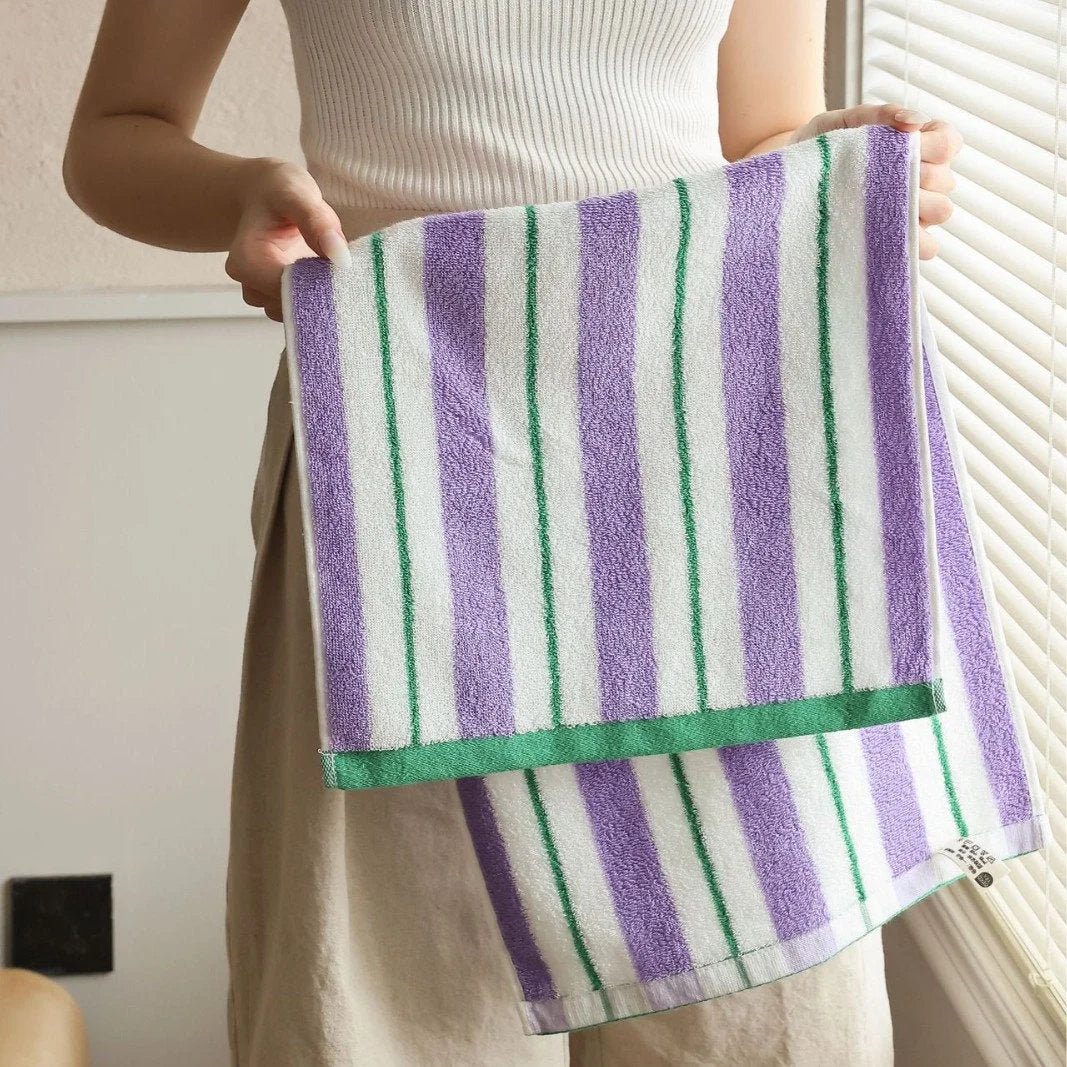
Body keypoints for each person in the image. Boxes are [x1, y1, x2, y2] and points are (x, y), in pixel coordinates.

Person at [62, 2, 962, 1063]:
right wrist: (243, 194)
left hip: (702, 478)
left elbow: (759, 133)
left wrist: (844, 173)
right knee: (395, 1010)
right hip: (397, 477)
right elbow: (114, 135)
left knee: (754, 1011)